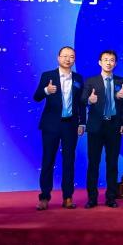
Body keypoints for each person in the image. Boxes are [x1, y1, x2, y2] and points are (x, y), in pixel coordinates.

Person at [33, 46, 85, 210]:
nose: (68, 59)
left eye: (71, 57)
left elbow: (81, 103)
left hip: (70, 125)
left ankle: (68, 197)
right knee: (48, 160)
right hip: (51, 125)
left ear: (74, 59)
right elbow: (36, 97)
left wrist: (82, 122)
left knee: (69, 161)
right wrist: (46, 90)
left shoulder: (78, 78)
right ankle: (44, 197)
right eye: (65, 56)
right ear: (58, 58)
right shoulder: (48, 76)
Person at [81, 50, 123, 209]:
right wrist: (89, 100)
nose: (109, 62)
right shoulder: (91, 81)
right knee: (93, 163)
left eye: (112, 60)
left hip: (114, 126)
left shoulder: (122, 81)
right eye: (106, 59)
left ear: (115, 63)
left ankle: (111, 197)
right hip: (96, 127)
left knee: (112, 163)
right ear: (100, 62)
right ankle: (92, 198)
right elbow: (82, 99)